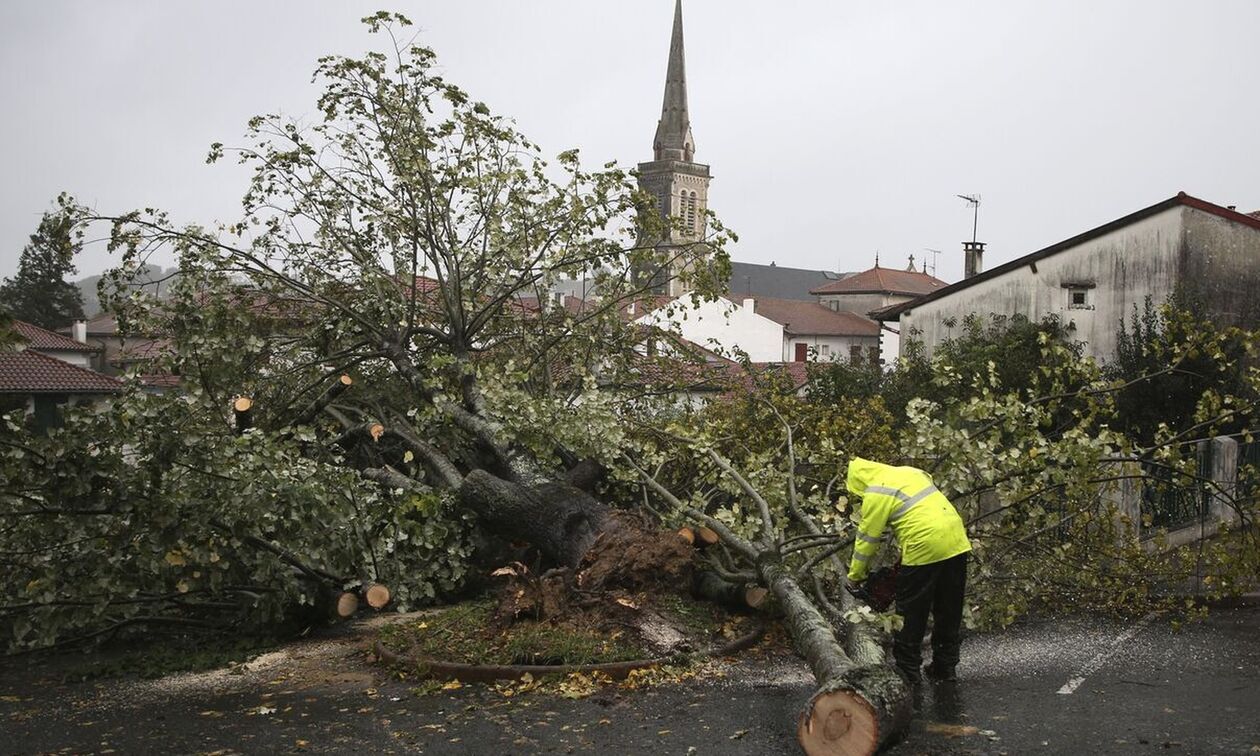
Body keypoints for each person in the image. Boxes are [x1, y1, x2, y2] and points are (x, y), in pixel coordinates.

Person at [844, 457, 971, 684]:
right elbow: (923, 512)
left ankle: (908, 671)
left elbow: (867, 539)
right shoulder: (911, 472)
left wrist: (856, 576)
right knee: (948, 608)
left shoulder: (876, 491)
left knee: (911, 612)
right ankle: (946, 667)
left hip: (924, 546)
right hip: (957, 540)